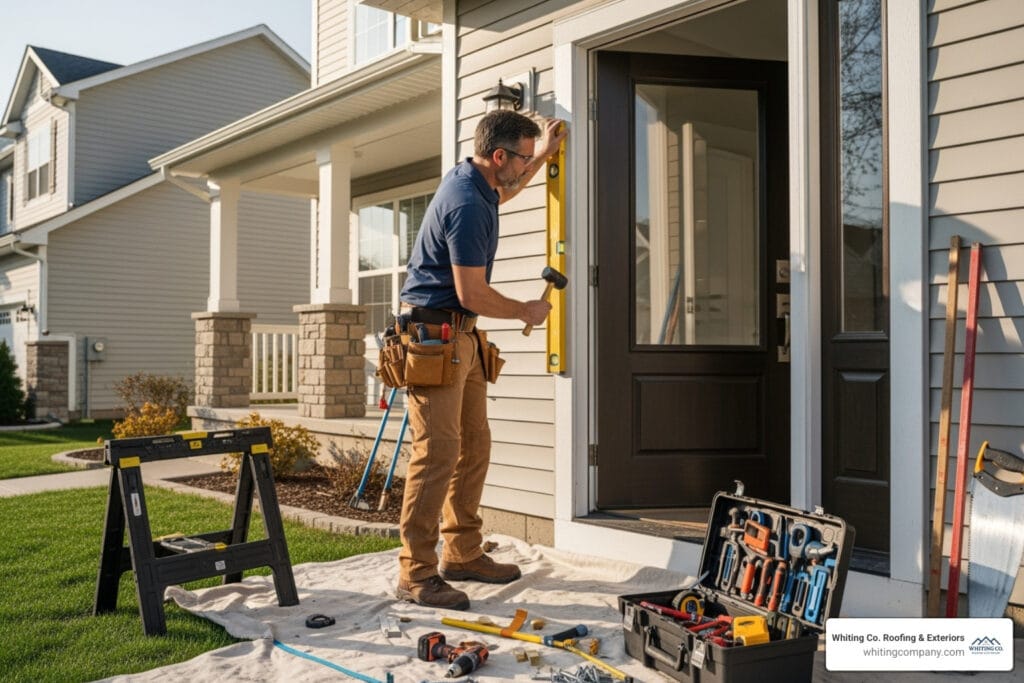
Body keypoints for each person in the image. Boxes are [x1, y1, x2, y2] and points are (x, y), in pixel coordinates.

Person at [394, 110, 569, 610]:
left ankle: (463, 552)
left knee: (474, 446)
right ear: (499, 156)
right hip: (434, 339)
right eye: (522, 156)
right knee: (437, 455)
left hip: (462, 341)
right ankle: (416, 574)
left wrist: (541, 159)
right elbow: (472, 292)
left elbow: (507, 190)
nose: (525, 164)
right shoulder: (468, 202)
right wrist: (525, 311)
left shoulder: (475, 180)